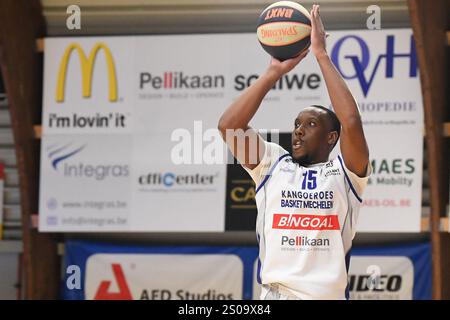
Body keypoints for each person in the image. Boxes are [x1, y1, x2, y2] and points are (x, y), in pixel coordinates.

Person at [217, 5, 371, 300]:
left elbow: (351, 121)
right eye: (297, 124)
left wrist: (321, 55)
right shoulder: (273, 164)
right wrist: (273, 72)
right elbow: (229, 126)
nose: (298, 130)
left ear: (331, 137)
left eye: (310, 124)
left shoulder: (346, 175)